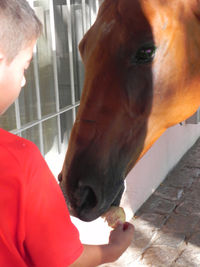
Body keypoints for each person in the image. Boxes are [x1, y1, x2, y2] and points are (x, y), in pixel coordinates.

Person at [0, 0, 134, 266]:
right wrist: (113, 251)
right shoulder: (20, 160)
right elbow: (62, 260)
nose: (25, 80)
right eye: (25, 67)